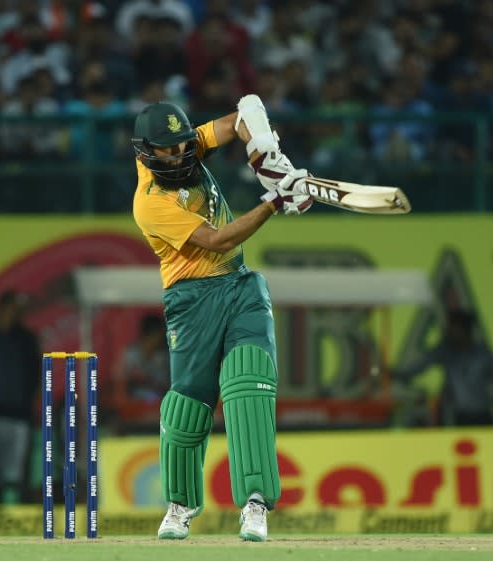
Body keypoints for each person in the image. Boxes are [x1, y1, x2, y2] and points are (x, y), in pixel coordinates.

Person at [130, 95, 313, 541]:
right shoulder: (150, 202)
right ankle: (179, 505)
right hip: (191, 301)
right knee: (187, 405)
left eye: (182, 146)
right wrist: (273, 202)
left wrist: (265, 156)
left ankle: (255, 504)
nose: (178, 156)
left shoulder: (190, 146)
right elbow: (215, 240)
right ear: (147, 153)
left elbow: (239, 117)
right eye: (167, 151)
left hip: (240, 285)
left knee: (249, 385)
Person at [393, 309, 493, 427]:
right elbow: (418, 367)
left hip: (481, 414)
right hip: (455, 416)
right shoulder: (445, 351)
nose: (447, 331)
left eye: (452, 328)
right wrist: (396, 374)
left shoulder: (484, 355)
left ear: (465, 329)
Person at [0, 290, 41, 504]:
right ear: (1, 309)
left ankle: (23, 507)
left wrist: (33, 398)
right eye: (12, 308)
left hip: (22, 409)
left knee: (21, 464)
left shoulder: (26, 338)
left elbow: (36, 373)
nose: (15, 313)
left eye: (18, 310)